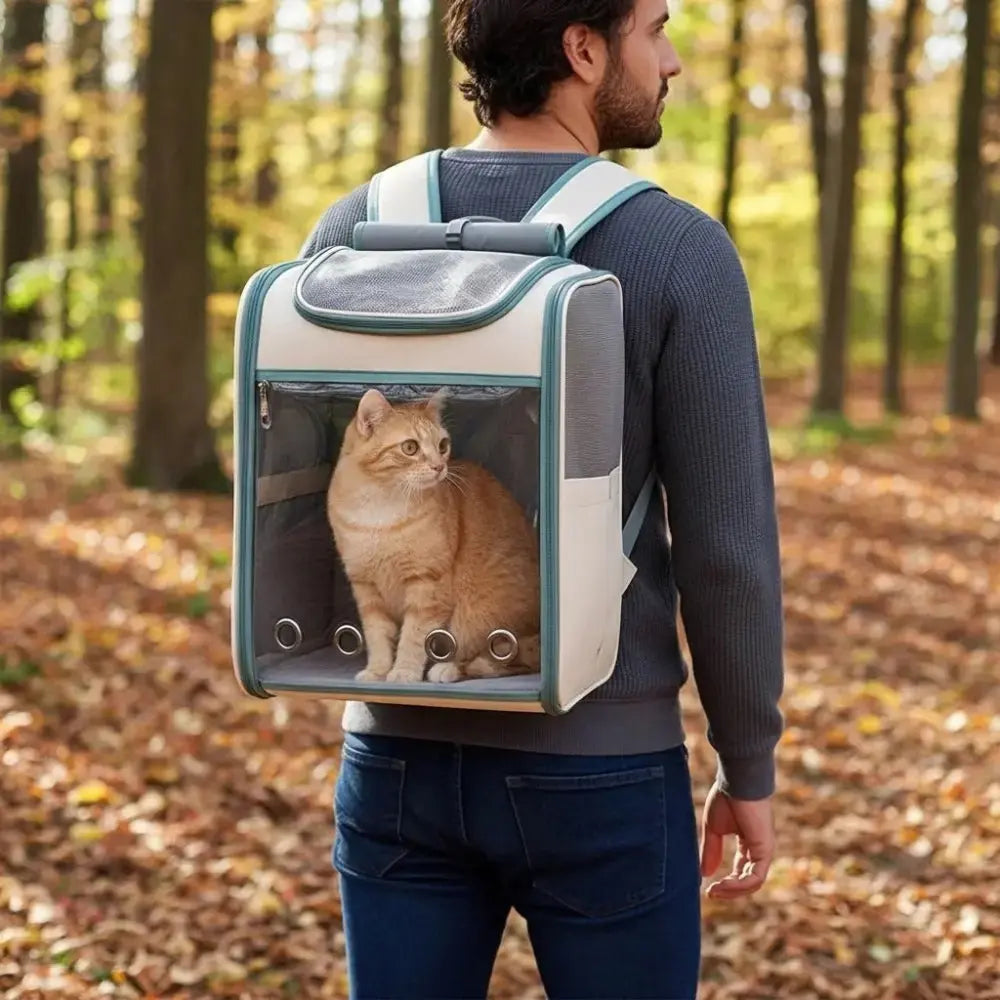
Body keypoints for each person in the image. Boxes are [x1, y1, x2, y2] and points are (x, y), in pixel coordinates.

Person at [300, 0, 784, 996]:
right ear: (582, 49)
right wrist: (747, 763)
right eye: (655, 28)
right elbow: (725, 548)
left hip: (394, 757)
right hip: (600, 768)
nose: (674, 58)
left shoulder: (356, 225)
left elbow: (307, 467)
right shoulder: (675, 248)